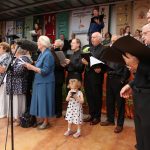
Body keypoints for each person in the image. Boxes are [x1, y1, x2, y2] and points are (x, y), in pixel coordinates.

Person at [120, 23, 150, 150]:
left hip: (148, 99)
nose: (142, 36)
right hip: (139, 96)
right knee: (140, 131)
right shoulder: (146, 49)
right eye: (142, 33)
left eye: (145, 33)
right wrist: (130, 84)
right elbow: (142, 75)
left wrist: (136, 66)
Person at [100, 35, 130, 133]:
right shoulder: (109, 52)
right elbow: (105, 65)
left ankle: (120, 124)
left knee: (120, 103)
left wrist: (122, 80)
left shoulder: (125, 53)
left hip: (119, 80)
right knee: (109, 101)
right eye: (112, 41)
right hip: (109, 79)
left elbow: (127, 68)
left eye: (115, 41)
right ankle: (110, 120)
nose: (113, 43)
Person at [24, 35, 55, 130]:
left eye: (38, 42)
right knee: (41, 101)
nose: (37, 43)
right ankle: (43, 119)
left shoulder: (48, 54)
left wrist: (31, 67)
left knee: (44, 101)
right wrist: (30, 64)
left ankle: (46, 122)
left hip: (45, 82)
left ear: (43, 43)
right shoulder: (42, 53)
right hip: (39, 81)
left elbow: (45, 71)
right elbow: (39, 65)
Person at [82, 32, 106, 125]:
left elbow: (102, 64)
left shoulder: (103, 49)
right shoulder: (89, 48)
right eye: (91, 37)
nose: (92, 39)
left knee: (96, 96)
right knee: (89, 96)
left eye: (94, 37)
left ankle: (97, 116)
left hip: (96, 76)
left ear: (100, 39)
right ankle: (91, 114)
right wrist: (83, 60)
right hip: (88, 76)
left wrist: (88, 63)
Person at [6, 47, 32, 126]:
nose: (12, 50)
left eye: (14, 48)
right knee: (14, 101)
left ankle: (18, 119)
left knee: (18, 102)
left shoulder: (23, 58)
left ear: (18, 51)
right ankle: (14, 117)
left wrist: (8, 70)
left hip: (19, 84)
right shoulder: (17, 58)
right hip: (14, 83)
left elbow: (19, 71)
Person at [52, 39, 65, 118]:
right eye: (54, 44)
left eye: (55, 45)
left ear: (60, 46)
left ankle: (58, 111)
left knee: (58, 95)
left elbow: (62, 66)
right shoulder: (52, 52)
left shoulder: (62, 53)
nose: (54, 45)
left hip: (58, 76)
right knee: (53, 95)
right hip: (52, 76)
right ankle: (54, 110)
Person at [0, 42, 11, 118]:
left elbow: (3, 70)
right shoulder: (2, 56)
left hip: (3, 79)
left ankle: (3, 113)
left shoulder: (6, 56)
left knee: (3, 96)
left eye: (0, 47)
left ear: (5, 49)